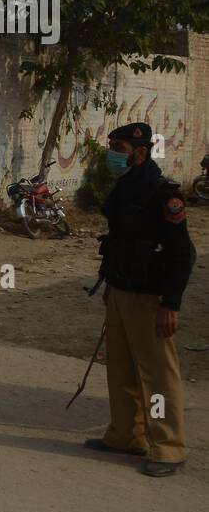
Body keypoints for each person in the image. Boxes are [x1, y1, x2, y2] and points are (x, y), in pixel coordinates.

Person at [86, 122, 196, 477]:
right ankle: (124, 436)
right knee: (120, 370)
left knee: (157, 376)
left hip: (150, 299)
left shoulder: (163, 194)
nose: (112, 155)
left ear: (140, 151)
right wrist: (109, 287)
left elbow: (183, 255)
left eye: (118, 148)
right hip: (120, 291)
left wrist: (171, 303)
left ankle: (167, 446)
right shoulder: (125, 187)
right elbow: (118, 240)